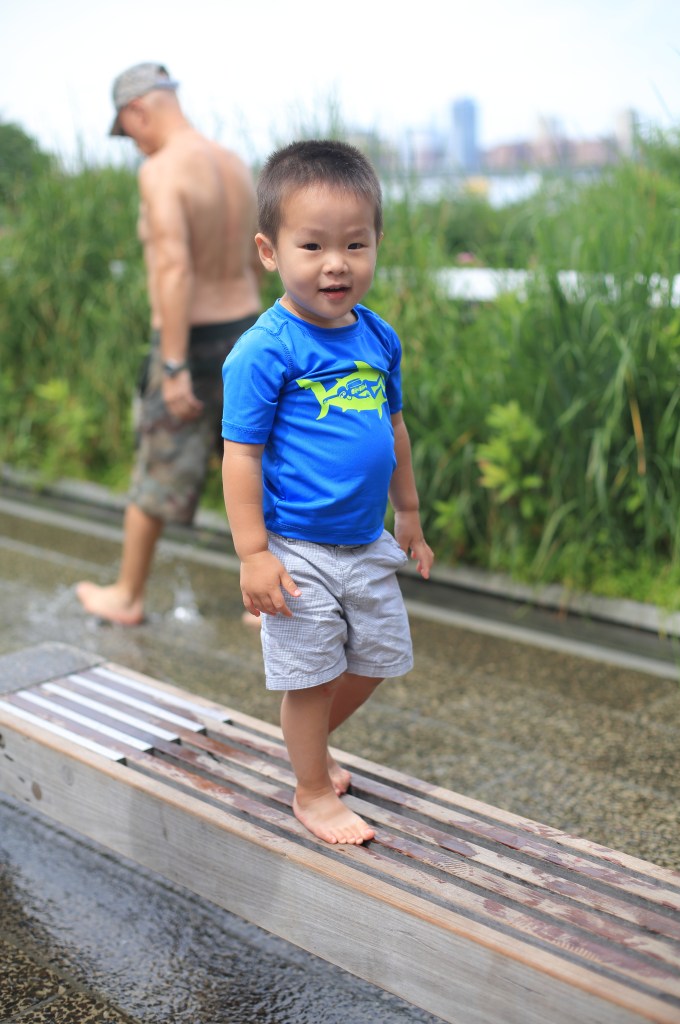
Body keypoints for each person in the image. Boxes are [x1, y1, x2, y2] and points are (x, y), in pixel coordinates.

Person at [221, 140, 434, 846]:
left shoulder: (377, 337)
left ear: (376, 245)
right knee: (311, 679)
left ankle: (305, 744)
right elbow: (240, 456)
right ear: (270, 251)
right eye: (312, 245)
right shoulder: (266, 349)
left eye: (354, 244)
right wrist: (253, 554)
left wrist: (408, 512)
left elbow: (393, 429)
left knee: (377, 659)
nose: (335, 263)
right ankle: (311, 788)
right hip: (295, 546)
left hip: (364, 541)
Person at [76, 63, 261, 625]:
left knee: (157, 470)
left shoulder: (161, 171)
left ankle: (127, 596)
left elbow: (175, 268)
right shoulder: (234, 163)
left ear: (138, 111)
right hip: (247, 329)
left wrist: (175, 364)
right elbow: (258, 257)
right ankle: (271, 601)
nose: (133, 143)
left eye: (127, 131)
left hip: (192, 340)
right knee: (254, 462)